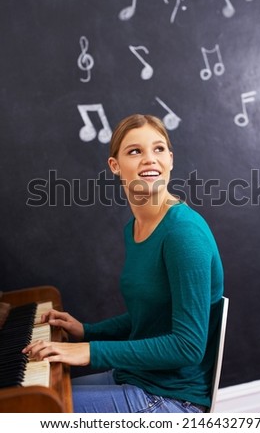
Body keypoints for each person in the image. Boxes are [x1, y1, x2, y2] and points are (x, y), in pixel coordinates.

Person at [23, 114, 224, 413]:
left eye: (158, 149)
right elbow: (153, 313)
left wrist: (89, 351)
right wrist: (88, 331)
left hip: (171, 399)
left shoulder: (184, 233)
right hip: (136, 376)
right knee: (32, 394)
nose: (149, 159)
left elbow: (188, 346)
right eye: (135, 151)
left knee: (31, 411)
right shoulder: (134, 228)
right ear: (115, 166)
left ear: (170, 159)